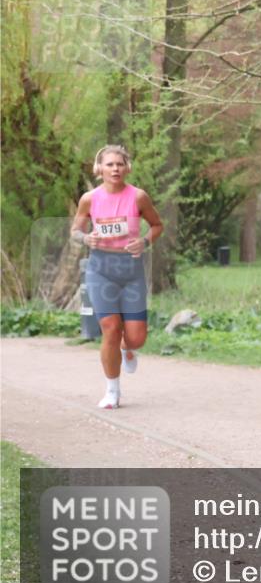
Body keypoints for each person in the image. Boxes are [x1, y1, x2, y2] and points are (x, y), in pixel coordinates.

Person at [71, 145, 164, 409]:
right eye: (109, 164)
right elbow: (75, 231)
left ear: (127, 168)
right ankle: (112, 391)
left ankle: (127, 347)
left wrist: (144, 241)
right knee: (110, 329)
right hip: (100, 269)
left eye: (119, 164)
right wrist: (86, 238)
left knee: (136, 338)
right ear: (99, 169)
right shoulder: (89, 199)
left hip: (131, 271)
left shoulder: (138, 197)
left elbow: (157, 225)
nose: (115, 169)